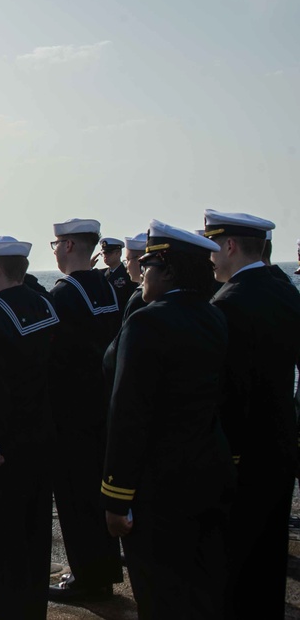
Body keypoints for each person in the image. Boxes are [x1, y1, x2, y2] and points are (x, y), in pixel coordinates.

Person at [101, 220, 234, 619]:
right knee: (199, 592)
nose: (142, 274)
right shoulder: (213, 317)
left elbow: (129, 414)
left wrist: (116, 495)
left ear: (170, 271)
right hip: (207, 476)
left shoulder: (147, 321)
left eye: (149, 266)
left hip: (157, 487)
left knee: (159, 595)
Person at [203, 209, 300, 619]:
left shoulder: (229, 304)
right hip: (280, 443)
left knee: (236, 566)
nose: (210, 259)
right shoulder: (284, 289)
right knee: (269, 558)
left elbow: (229, 394)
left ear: (229, 246)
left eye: (213, 248)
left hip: (242, 454)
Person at [0, 236, 58, 619]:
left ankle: (9, 611)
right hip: (44, 436)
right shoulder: (46, 307)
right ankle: (33, 609)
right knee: (37, 533)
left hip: (8, 446)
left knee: (6, 537)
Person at [47, 218, 124, 602]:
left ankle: (88, 579)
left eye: (57, 243)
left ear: (71, 245)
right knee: (98, 495)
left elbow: (53, 358)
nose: (56, 250)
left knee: (76, 500)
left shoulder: (63, 295)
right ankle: (105, 570)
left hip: (71, 414)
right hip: (104, 407)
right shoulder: (106, 287)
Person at [99, 237, 135, 310]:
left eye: (109, 253)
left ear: (118, 253)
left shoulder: (128, 274)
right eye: (104, 253)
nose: (105, 256)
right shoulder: (101, 274)